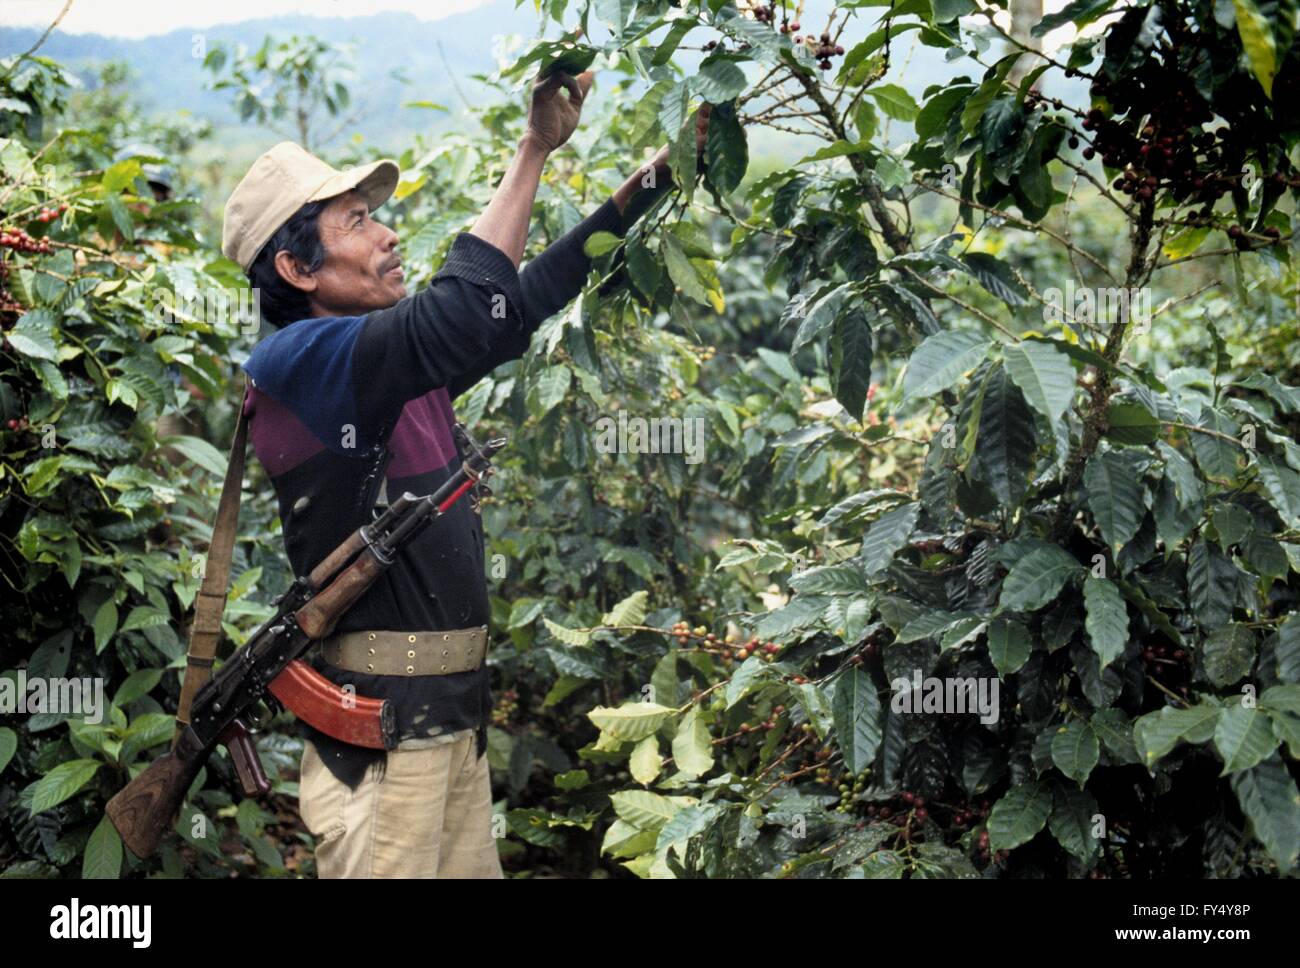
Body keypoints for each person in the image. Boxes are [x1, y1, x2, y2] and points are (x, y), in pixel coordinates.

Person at [218, 69, 708, 878]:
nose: (385, 236)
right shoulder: (299, 361)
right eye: (357, 222)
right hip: (382, 749)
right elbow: (463, 307)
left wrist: (663, 170)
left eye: (376, 217)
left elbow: (528, 293)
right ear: (298, 271)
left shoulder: (388, 370)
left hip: (449, 731)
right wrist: (533, 149)